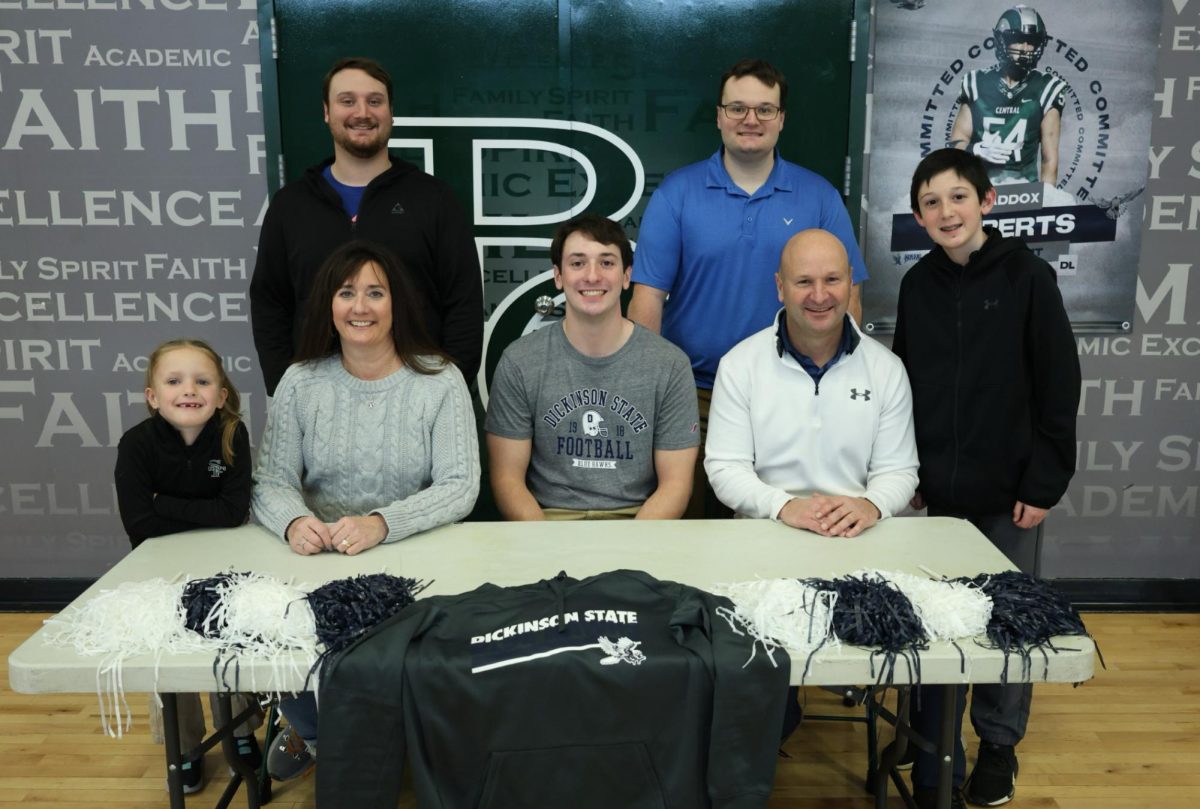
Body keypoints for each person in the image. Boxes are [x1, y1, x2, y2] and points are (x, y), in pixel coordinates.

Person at [251, 240, 480, 780]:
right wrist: (292, 521)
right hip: (318, 556)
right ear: (328, 306)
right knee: (274, 628)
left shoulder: (439, 380)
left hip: (412, 558)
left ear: (396, 302)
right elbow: (270, 480)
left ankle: (393, 738)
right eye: (347, 292)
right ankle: (312, 733)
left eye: (375, 292)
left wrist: (383, 524)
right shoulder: (301, 381)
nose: (361, 306)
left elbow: (460, 485)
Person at [894, 148, 1080, 808]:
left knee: (1005, 620)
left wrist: (1044, 482)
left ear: (988, 203)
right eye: (931, 203)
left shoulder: (1029, 277)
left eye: (957, 198)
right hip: (936, 495)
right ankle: (933, 742)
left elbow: (1059, 386)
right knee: (934, 620)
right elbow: (905, 383)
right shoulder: (917, 287)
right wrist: (907, 468)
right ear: (918, 216)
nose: (946, 212)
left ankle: (998, 745)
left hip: (1009, 495)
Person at [627, 57, 869, 517]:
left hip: (789, 392)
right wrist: (649, 393)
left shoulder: (818, 196)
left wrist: (832, 385)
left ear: (782, 119)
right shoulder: (677, 194)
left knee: (779, 523)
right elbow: (646, 302)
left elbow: (848, 296)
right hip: (692, 395)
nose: (750, 120)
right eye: (737, 108)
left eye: (764, 109)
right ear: (718, 116)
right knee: (689, 527)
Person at [250, 56, 482, 396]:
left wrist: (449, 390)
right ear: (327, 112)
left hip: (417, 398)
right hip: (317, 400)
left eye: (375, 101)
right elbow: (270, 302)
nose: (362, 112)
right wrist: (285, 387)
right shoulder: (291, 205)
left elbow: (464, 302)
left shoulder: (434, 199)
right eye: (347, 101)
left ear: (390, 112)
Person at [113, 338, 260, 793]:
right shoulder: (136, 445)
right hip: (161, 569)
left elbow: (234, 512)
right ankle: (185, 747)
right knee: (170, 651)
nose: (188, 390)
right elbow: (140, 523)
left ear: (220, 393)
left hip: (224, 564)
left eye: (202, 380)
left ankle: (239, 730)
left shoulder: (233, 434)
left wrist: (166, 504)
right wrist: (196, 511)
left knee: (230, 639)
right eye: (174, 381)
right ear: (153, 397)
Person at [705, 229, 918, 536]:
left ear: (850, 282)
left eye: (832, 279)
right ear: (780, 286)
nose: (819, 296)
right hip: (765, 530)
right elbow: (725, 468)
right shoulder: (739, 365)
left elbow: (898, 470)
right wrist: (784, 506)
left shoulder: (887, 369)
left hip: (858, 531)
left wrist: (869, 505)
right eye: (804, 282)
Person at [486, 214, 699, 520]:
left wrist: (629, 555)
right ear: (558, 276)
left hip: (638, 522)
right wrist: (544, 549)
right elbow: (507, 480)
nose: (592, 276)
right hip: (549, 521)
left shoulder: (669, 365)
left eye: (607, 263)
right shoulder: (520, 361)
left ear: (627, 276)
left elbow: (675, 485)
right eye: (577, 263)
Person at [949, 5, 1067, 186]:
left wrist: (1046, 203)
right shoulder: (976, 82)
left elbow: (1049, 160)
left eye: (1032, 42)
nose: (1026, 48)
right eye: (1019, 40)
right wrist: (976, 149)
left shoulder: (1047, 87)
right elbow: (956, 144)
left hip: (1024, 192)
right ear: (1002, 40)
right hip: (978, 188)